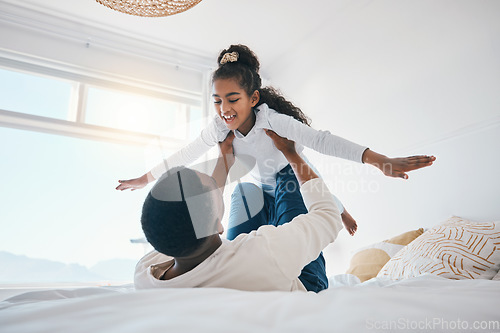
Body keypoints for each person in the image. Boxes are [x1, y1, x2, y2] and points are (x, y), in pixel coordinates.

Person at [116, 44, 435, 237]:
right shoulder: (219, 128)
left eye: (232, 99)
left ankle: (336, 214)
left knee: (292, 228)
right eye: (217, 100)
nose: (225, 109)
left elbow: (320, 145)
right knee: (238, 241)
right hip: (251, 185)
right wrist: (146, 178)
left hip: (286, 180)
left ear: (253, 98)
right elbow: (187, 152)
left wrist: (380, 161)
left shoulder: (274, 123)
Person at [135, 130, 343, 292]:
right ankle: (283, 188)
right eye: (213, 188)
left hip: (240, 263)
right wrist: (291, 153)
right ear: (217, 225)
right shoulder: (265, 252)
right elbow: (327, 216)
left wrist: (225, 161)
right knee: (288, 175)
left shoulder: (146, 271)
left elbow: (187, 217)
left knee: (246, 190)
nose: (218, 186)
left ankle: (272, 203)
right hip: (302, 280)